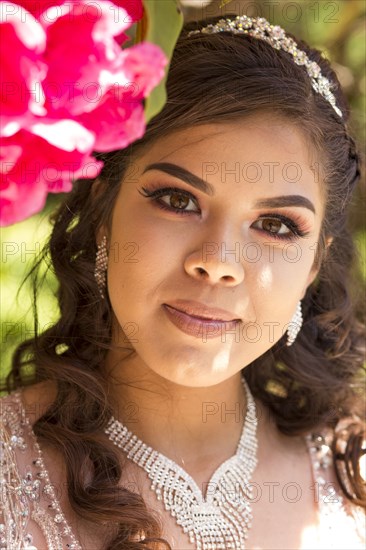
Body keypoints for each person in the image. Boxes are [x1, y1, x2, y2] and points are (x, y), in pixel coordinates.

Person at [1, 12, 365, 550]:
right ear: (104, 208)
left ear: (313, 264)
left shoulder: (353, 477)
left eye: (276, 225)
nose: (218, 262)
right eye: (178, 199)